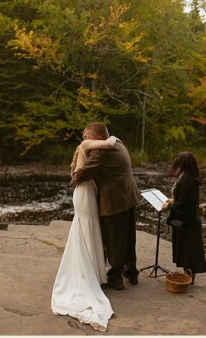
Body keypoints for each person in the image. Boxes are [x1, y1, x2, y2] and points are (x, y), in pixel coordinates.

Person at [51, 135, 118, 331]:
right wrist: (113, 136)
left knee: (89, 228)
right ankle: (88, 272)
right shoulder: (85, 144)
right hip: (84, 193)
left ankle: (94, 272)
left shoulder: (85, 148)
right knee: (86, 226)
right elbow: (109, 143)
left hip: (87, 190)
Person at [71, 122, 142, 291]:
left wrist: (75, 170)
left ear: (99, 138)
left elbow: (79, 176)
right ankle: (131, 272)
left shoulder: (100, 153)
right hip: (129, 196)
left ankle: (115, 278)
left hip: (114, 202)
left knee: (115, 240)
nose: (85, 139)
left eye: (87, 137)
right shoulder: (118, 142)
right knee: (128, 238)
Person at [161, 151, 206, 284]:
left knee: (190, 252)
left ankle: (189, 280)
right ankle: (188, 278)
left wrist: (169, 206)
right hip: (188, 221)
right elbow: (182, 199)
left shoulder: (188, 180)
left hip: (189, 222)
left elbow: (184, 204)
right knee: (186, 251)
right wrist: (172, 200)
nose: (176, 161)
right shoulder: (186, 176)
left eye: (178, 160)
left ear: (184, 163)